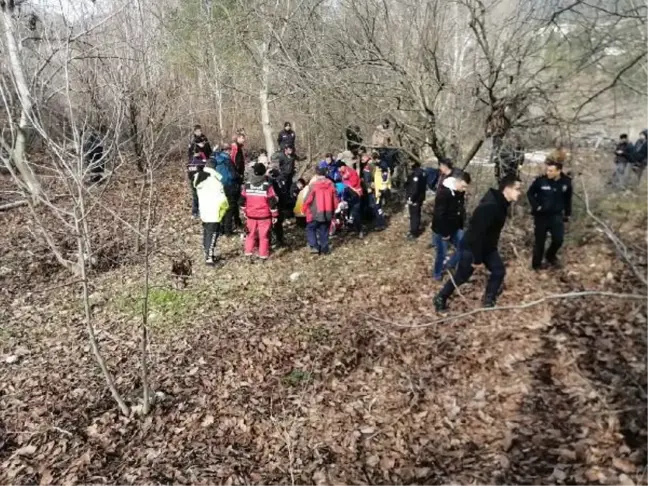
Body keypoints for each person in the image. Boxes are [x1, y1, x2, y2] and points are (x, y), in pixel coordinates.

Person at [434, 175, 522, 311]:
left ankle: (488, 300)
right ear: (507, 189)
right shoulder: (490, 206)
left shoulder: (501, 204)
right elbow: (476, 235)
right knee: (462, 276)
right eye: (517, 189)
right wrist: (477, 258)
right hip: (472, 247)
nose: (519, 192)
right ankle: (440, 297)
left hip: (488, 247)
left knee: (498, 271)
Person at [527, 161, 572, 270]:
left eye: (551, 171)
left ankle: (550, 256)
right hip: (541, 216)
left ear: (558, 171)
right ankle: (536, 265)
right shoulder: (540, 181)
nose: (548, 172)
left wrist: (567, 214)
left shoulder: (566, 182)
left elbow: (568, 199)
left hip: (556, 215)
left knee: (558, 239)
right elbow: (530, 193)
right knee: (539, 242)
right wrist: (536, 206)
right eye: (547, 170)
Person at [431, 170, 471, 280]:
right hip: (442, 229)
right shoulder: (444, 193)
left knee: (465, 246)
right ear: (458, 182)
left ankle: (450, 264)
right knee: (442, 253)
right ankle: (437, 274)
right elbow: (439, 215)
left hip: (456, 227)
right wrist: (444, 233)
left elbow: (459, 210)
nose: (464, 189)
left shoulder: (460, 192)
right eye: (463, 186)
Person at [193, 161, 229, 266]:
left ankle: (208, 254)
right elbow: (223, 200)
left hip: (204, 211)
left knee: (206, 233)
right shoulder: (215, 181)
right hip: (214, 212)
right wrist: (224, 210)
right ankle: (209, 259)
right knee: (213, 235)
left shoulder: (199, 178)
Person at [241, 163, 279, 260]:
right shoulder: (267, 186)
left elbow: (241, 201)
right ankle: (263, 255)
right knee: (264, 236)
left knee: (250, 234)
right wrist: (275, 215)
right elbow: (272, 202)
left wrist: (245, 211)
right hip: (264, 216)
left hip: (251, 215)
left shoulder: (247, 185)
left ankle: (248, 253)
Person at [304, 164, 339, 254]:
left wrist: (305, 209)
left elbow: (307, 199)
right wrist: (334, 210)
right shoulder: (331, 184)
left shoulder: (313, 185)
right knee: (324, 230)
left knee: (311, 228)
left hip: (315, 211)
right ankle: (325, 248)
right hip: (328, 211)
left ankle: (314, 246)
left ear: (316, 174)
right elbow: (335, 199)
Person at [215, 145, 243, 236]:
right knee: (230, 208)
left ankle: (221, 229)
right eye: (229, 150)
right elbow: (232, 175)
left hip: (219, 186)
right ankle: (228, 230)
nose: (231, 152)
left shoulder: (216, 159)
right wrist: (239, 176)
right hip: (230, 186)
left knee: (222, 207)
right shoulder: (227, 160)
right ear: (226, 150)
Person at [187, 125, 212, 218]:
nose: (199, 132)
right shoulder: (192, 141)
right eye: (197, 131)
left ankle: (203, 209)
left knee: (204, 190)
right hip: (195, 167)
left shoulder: (205, 139)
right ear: (194, 132)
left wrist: (208, 159)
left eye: (200, 131)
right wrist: (195, 155)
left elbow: (209, 151)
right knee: (195, 191)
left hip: (204, 166)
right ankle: (195, 211)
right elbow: (189, 155)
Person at [339, 164, 364, 238]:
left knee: (355, 213)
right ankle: (353, 229)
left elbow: (355, 182)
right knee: (347, 213)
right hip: (348, 196)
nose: (339, 170)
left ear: (343, 166)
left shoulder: (351, 172)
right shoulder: (342, 173)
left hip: (356, 194)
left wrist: (346, 183)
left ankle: (360, 230)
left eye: (340, 167)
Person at [405, 161, 427, 240]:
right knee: (416, 214)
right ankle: (414, 230)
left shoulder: (417, 174)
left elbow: (415, 188)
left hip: (415, 198)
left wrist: (411, 198)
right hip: (420, 197)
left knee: (414, 215)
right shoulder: (422, 172)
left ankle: (414, 232)